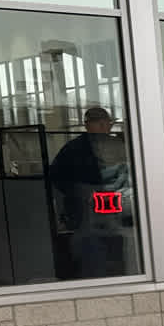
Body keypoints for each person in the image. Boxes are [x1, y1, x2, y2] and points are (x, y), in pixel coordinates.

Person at [48, 106, 133, 279]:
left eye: (107, 123)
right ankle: (93, 277)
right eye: (100, 124)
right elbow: (57, 176)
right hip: (86, 204)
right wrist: (78, 194)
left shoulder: (116, 144)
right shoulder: (74, 149)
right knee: (91, 242)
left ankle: (114, 273)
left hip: (112, 200)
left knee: (114, 238)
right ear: (88, 125)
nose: (105, 127)